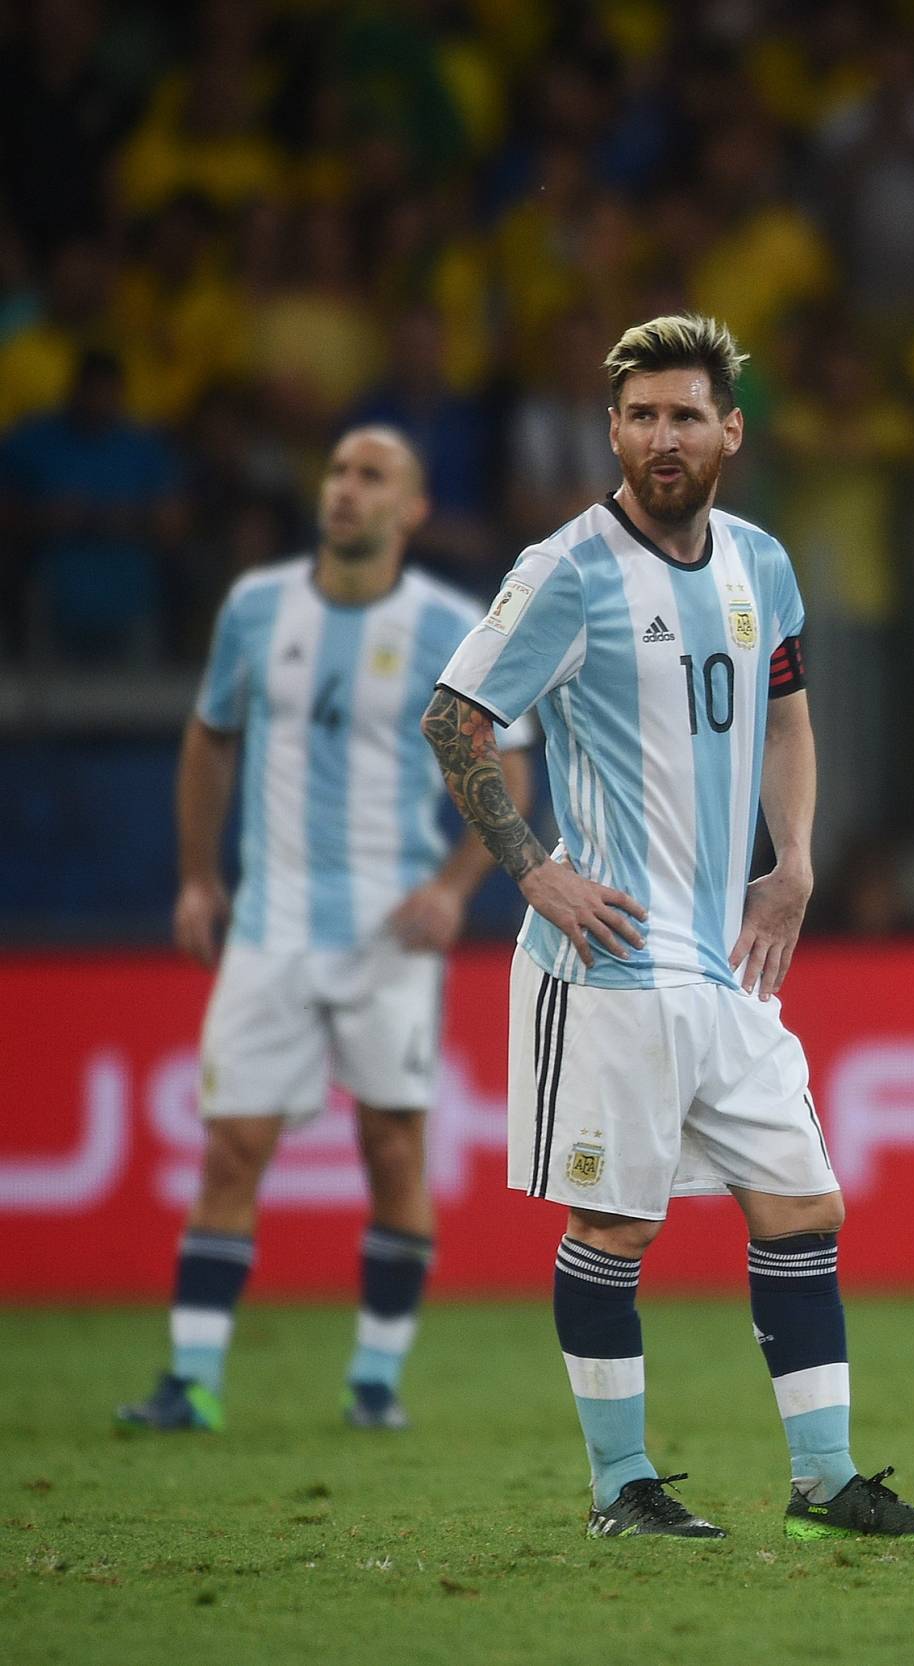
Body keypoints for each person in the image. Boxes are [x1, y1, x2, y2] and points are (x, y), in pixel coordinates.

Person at [422, 314, 914, 1544]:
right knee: (616, 1225)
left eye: (684, 416)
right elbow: (455, 717)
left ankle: (825, 1483)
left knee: (802, 1204)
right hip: (607, 958)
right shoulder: (566, 569)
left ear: (731, 432)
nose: (661, 437)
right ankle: (621, 1486)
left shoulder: (760, 565)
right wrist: (534, 871)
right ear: (612, 431)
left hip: (726, 960)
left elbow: (787, 716)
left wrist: (794, 862)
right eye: (640, 417)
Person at [115, 426, 535, 1435]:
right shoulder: (257, 608)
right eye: (339, 471)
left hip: (391, 933)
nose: (345, 489)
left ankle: (374, 1383)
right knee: (233, 1147)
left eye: (372, 475)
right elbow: (211, 736)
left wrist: (455, 885)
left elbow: (510, 770)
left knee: (393, 1147)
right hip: (270, 925)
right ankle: (192, 1380)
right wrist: (196, 877)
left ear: (413, 509)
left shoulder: (449, 626)